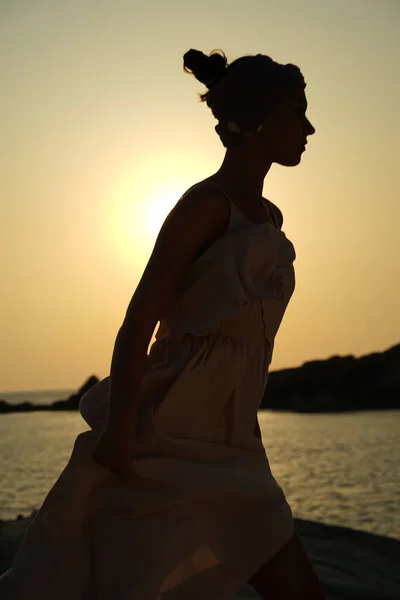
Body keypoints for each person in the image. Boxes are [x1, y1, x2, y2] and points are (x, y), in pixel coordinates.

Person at [0, 49, 325, 599]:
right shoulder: (203, 205)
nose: (310, 127)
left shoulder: (271, 220)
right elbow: (138, 323)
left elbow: (252, 350)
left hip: (232, 443)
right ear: (260, 119)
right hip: (169, 432)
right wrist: (122, 425)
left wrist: (247, 424)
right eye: (299, 112)